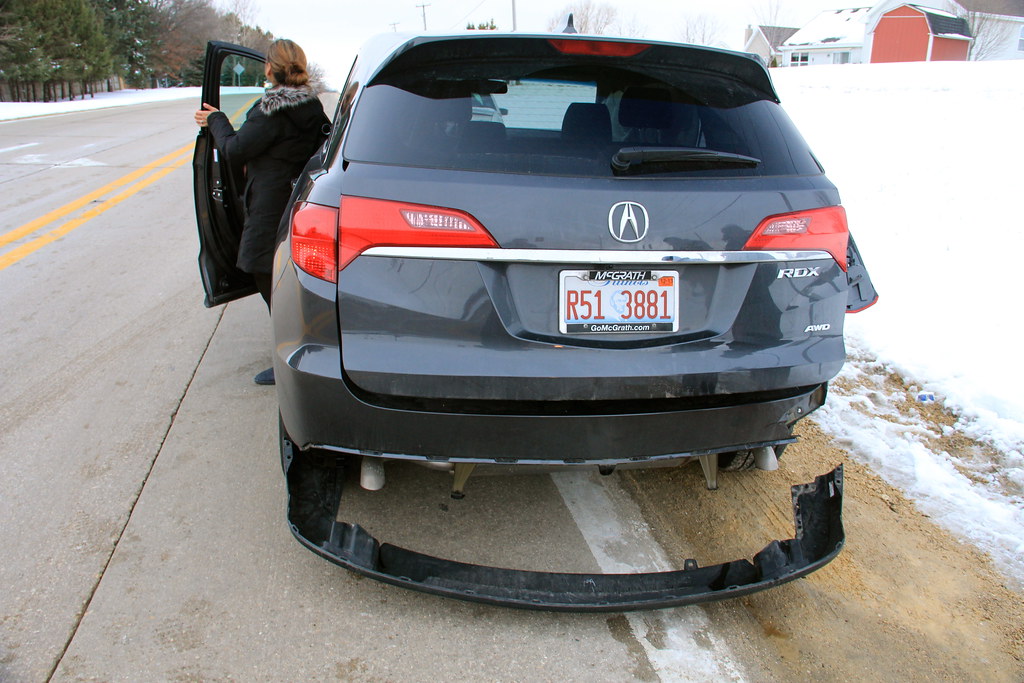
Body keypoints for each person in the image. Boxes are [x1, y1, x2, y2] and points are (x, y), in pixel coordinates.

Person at [194, 39, 329, 386]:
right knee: (286, 275)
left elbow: (235, 149)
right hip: (297, 199)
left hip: (269, 205)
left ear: (270, 68)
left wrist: (217, 121)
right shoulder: (312, 106)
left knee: (263, 272)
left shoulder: (270, 109)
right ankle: (304, 347)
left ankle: (293, 357)